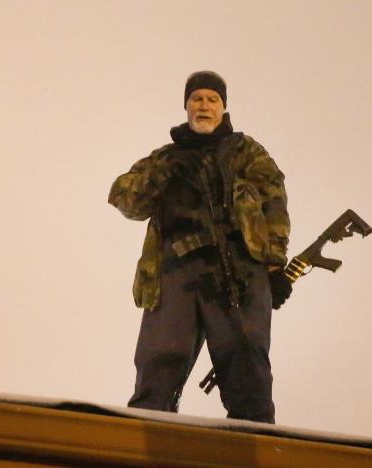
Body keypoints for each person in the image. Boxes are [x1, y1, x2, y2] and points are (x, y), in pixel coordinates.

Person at [108, 71, 292, 423]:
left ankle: (257, 443)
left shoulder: (246, 152)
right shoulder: (164, 158)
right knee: (162, 354)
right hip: (176, 270)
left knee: (245, 354)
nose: (203, 105)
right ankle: (147, 435)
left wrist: (273, 265)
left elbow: (274, 204)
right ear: (186, 106)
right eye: (196, 99)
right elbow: (124, 197)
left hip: (238, 266)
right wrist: (165, 172)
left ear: (223, 107)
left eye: (212, 99)